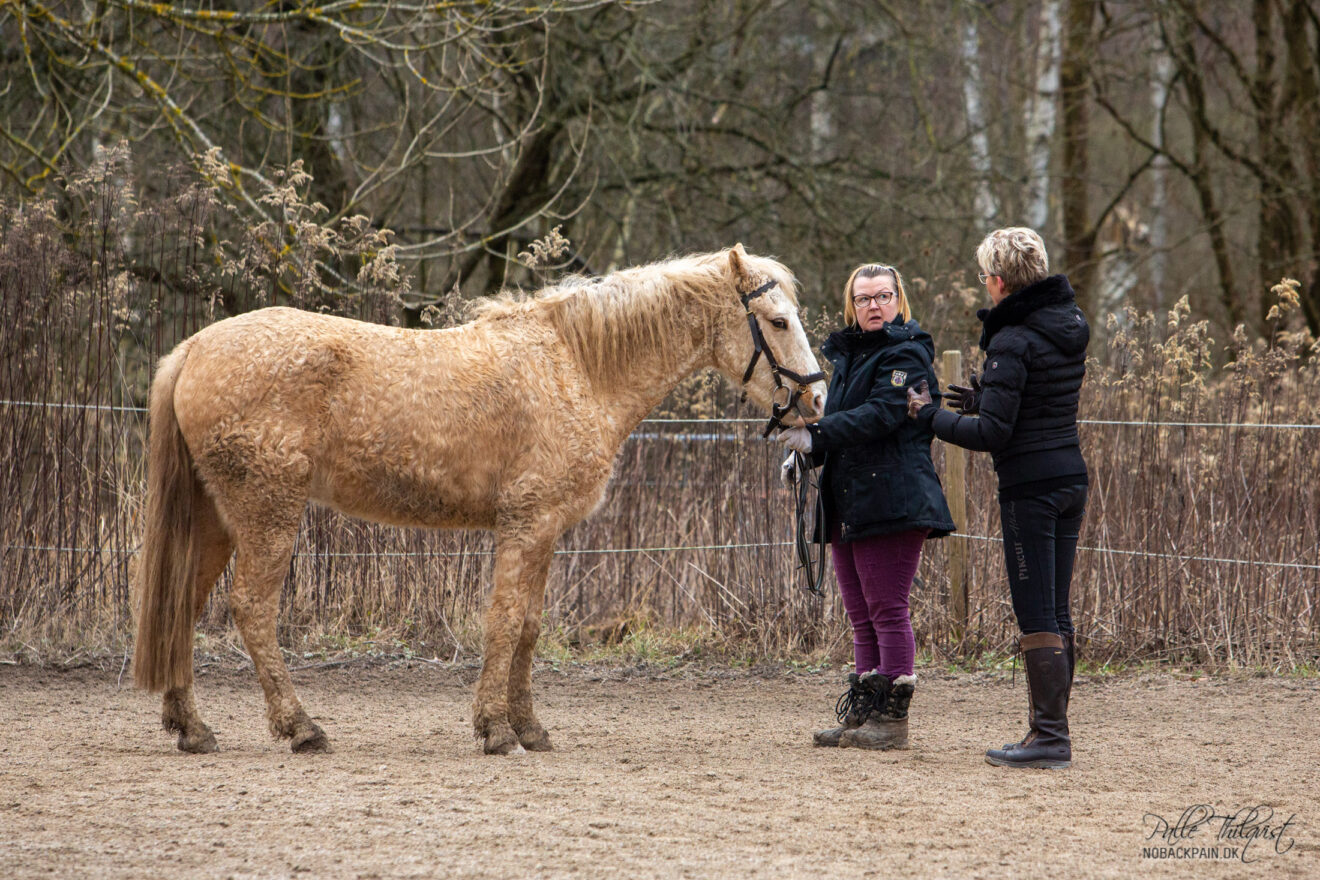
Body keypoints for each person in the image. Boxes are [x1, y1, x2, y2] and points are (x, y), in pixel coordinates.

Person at [906, 227, 1089, 769]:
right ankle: (1052, 730)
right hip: (1070, 479)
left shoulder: (1012, 338)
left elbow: (992, 435)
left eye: (985, 277)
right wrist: (987, 396)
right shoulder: (1069, 324)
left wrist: (931, 417)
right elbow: (1042, 398)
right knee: (1056, 609)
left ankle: (1050, 737)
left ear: (1001, 281)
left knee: (1036, 613)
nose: (984, 286)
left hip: (1029, 488)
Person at [778, 263, 955, 750]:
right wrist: (807, 454)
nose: (873, 306)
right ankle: (864, 713)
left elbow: (880, 415)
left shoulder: (907, 355)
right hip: (850, 499)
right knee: (861, 614)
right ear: (851, 304)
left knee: (887, 609)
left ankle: (891, 720)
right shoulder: (850, 358)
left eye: (882, 296)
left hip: (893, 499)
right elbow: (843, 419)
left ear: (899, 299)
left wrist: (815, 436)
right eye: (863, 298)